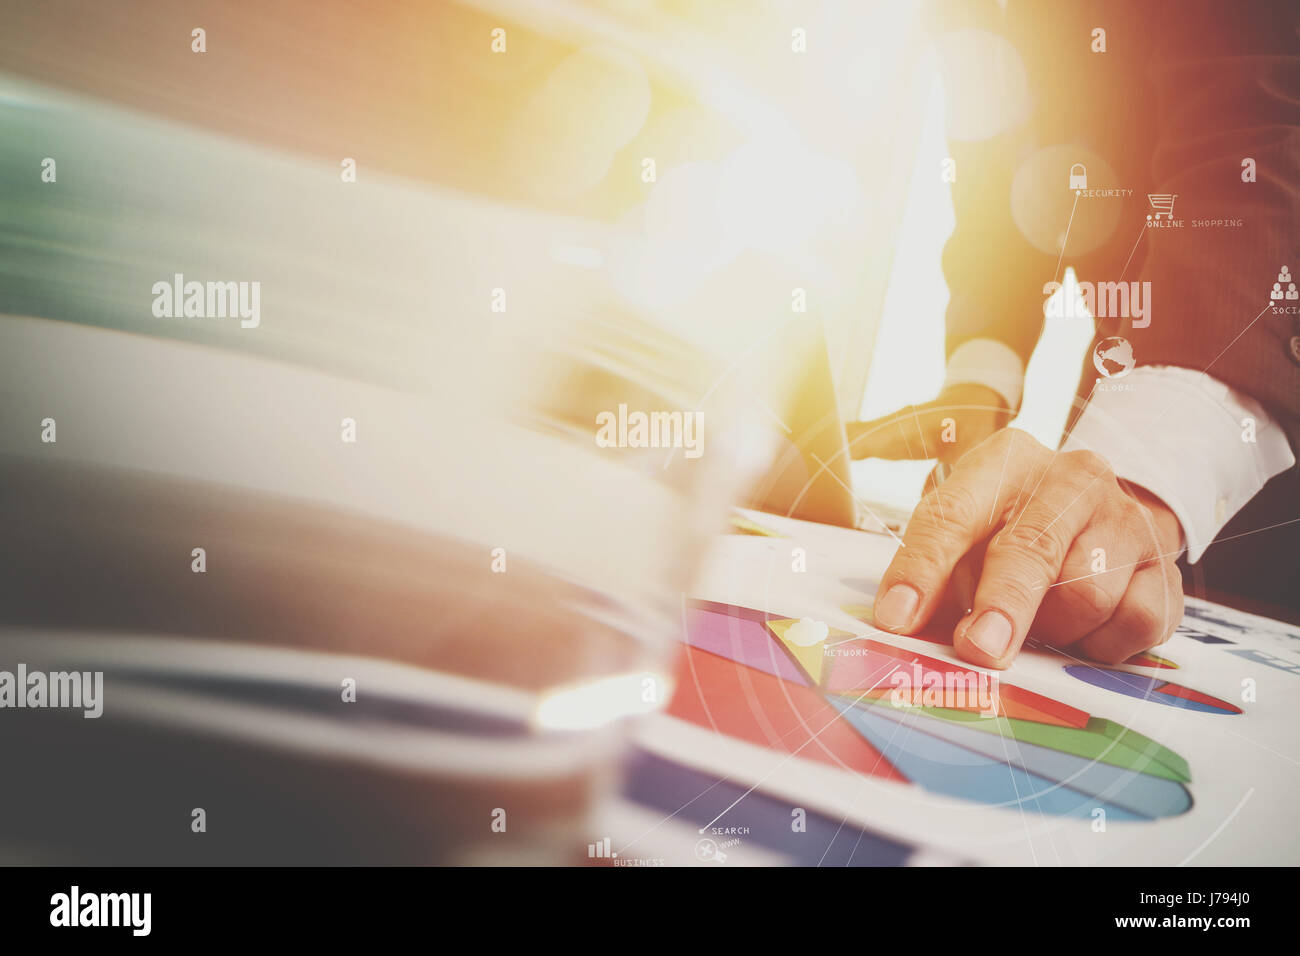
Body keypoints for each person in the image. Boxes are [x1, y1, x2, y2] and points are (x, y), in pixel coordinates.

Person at [849, 0, 1299, 668]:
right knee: (1068, 614)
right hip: (1119, 393)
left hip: (1246, 412)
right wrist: (980, 382)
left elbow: (1265, 119)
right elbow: (999, 193)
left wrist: (1147, 460)